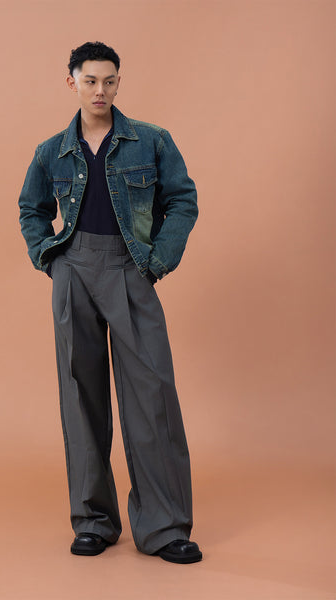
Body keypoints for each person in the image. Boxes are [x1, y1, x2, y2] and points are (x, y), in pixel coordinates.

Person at [18, 41, 202, 564]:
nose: (100, 90)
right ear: (72, 82)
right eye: (90, 80)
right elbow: (31, 209)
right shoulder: (51, 151)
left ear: (119, 83)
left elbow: (182, 201)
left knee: (152, 395)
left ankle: (165, 527)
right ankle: (93, 522)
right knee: (81, 396)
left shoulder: (151, 141)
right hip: (73, 271)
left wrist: (156, 260)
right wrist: (50, 258)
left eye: (110, 81)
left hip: (129, 268)